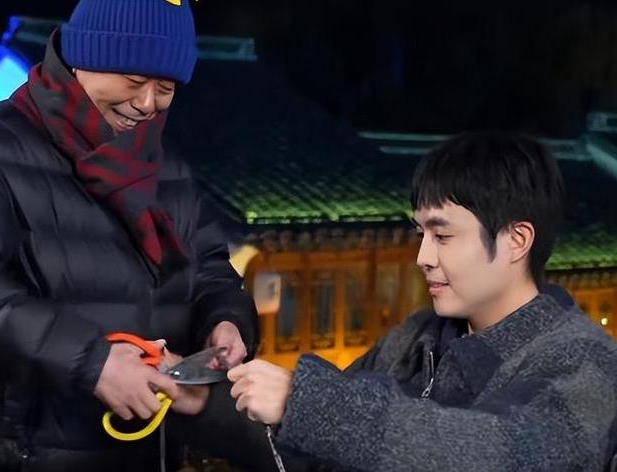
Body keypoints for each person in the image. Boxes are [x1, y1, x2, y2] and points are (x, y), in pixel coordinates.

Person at [229, 131, 617, 471]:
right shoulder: (415, 337)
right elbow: (313, 450)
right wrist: (210, 402)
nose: (422, 257)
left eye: (442, 237)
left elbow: (500, 453)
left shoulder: (585, 363)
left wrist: (309, 404)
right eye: (421, 235)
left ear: (517, 240)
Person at [0, 0, 259, 470]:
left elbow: (210, 267)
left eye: (165, 88)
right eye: (133, 81)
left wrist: (226, 320)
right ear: (82, 59)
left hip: (151, 451)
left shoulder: (163, 164)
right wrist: (93, 363)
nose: (148, 104)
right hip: (25, 455)